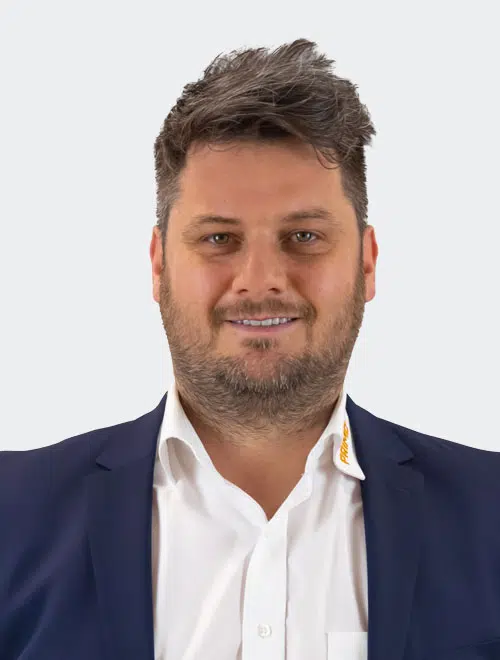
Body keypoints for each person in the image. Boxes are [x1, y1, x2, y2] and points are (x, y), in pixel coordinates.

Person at [1, 37, 499, 660]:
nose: (260, 280)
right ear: (158, 265)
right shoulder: (11, 514)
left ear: (368, 263)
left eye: (304, 236)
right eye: (218, 238)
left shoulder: (491, 515)